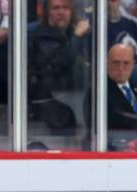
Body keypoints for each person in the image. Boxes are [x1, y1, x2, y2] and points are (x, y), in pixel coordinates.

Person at [28, 0, 90, 132]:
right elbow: (56, 65)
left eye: (65, 8)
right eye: (55, 8)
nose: (61, 12)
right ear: (47, 12)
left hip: (79, 102)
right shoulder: (38, 36)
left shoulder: (75, 35)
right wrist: (77, 37)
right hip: (51, 104)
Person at [84, 43, 137, 134]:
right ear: (107, 63)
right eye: (116, 63)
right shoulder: (98, 92)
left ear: (133, 64)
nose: (121, 68)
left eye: (126, 63)